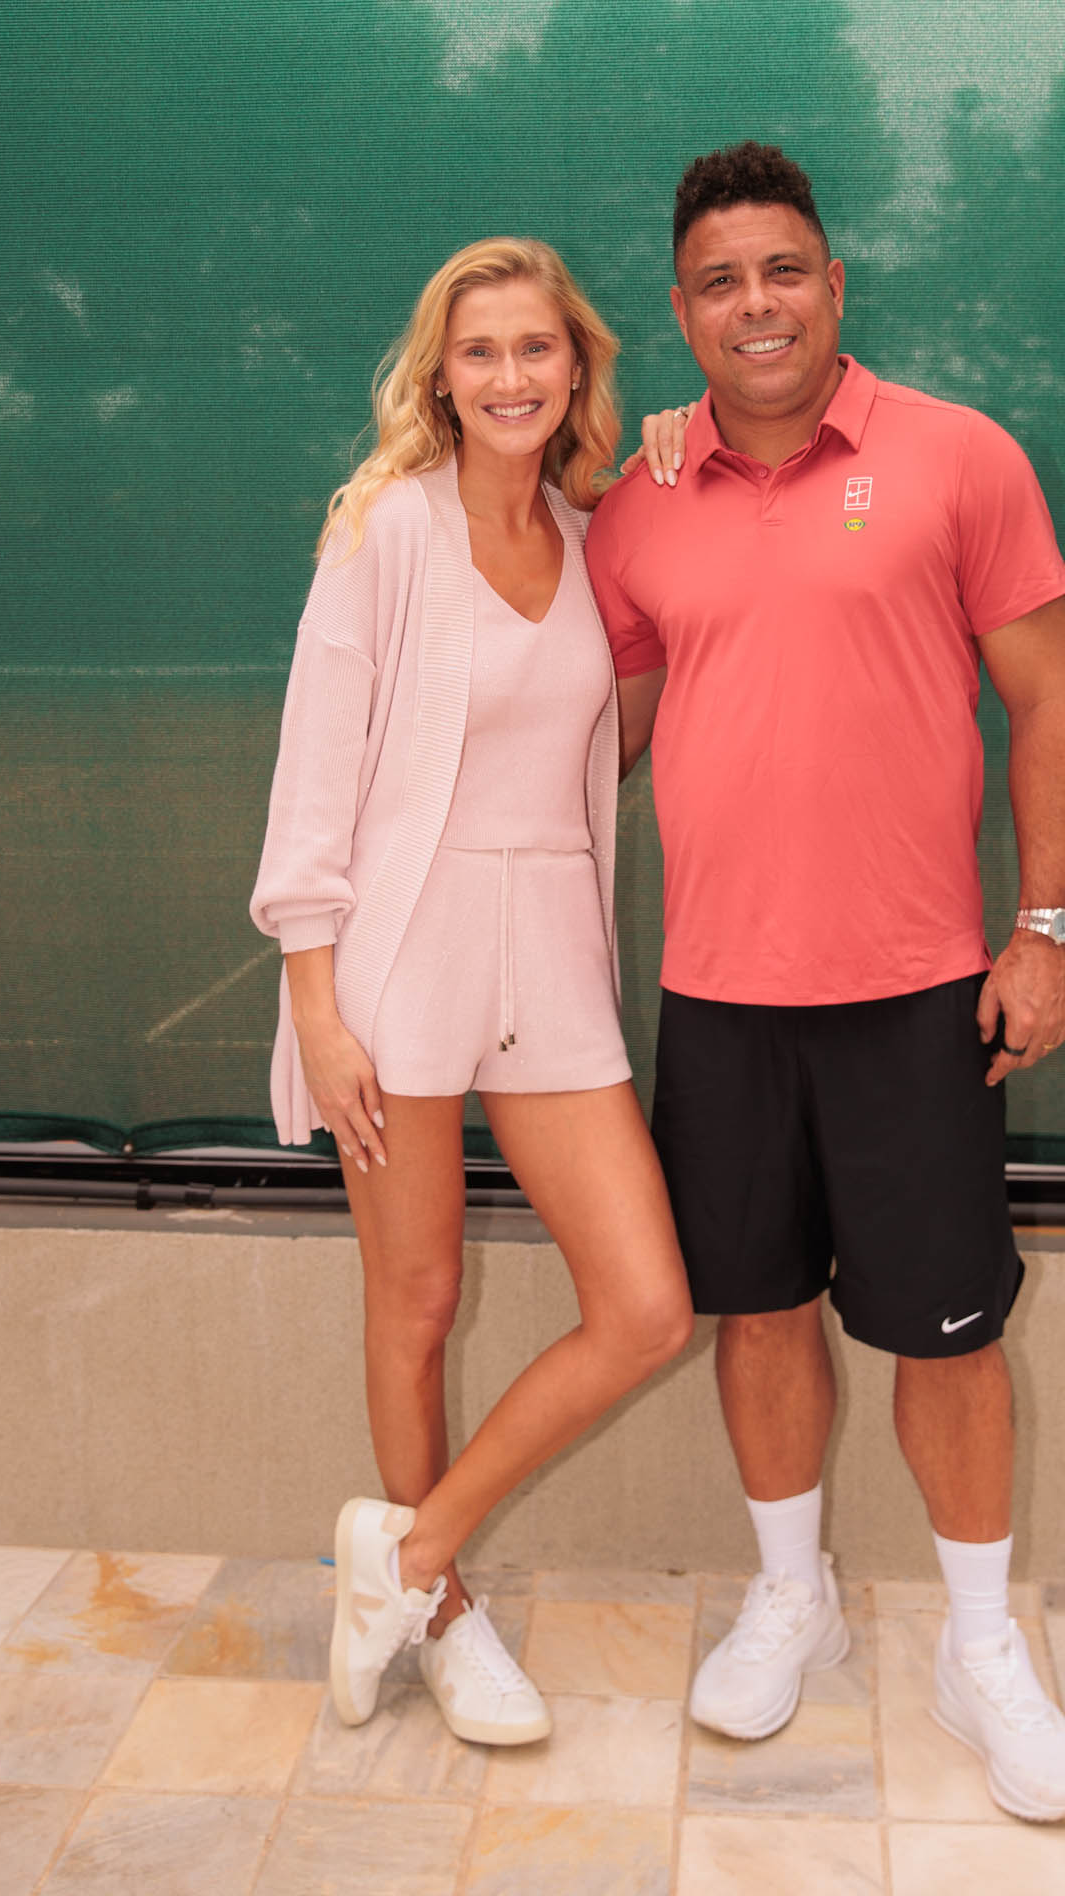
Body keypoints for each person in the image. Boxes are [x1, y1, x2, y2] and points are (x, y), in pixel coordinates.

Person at [591, 143, 1065, 1821]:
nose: (756, 304)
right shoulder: (640, 501)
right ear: (681, 314)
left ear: (832, 284)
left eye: (782, 271)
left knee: (946, 1335)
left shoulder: (960, 458)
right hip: (719, 995)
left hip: (918, 989)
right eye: (720, 282)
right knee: (755, 1308)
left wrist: (1043, 930)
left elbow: (1046, 704)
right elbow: (602, 733)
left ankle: (978, 1649)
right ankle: (790, 1599)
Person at [250, 237, 692, 1747]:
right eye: (480, 350)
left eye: (536, 348)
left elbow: (613, 740)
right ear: (439, 375)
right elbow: (314, 774)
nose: (511, 376)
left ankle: (406, 1555)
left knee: (647, 1306)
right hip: (401, 952)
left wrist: (674, 480)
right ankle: (438, 1622)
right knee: (419, 1296)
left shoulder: (592, 532)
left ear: (578, 364)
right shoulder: (386, 528)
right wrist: (318, 1006)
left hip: (550, 949)